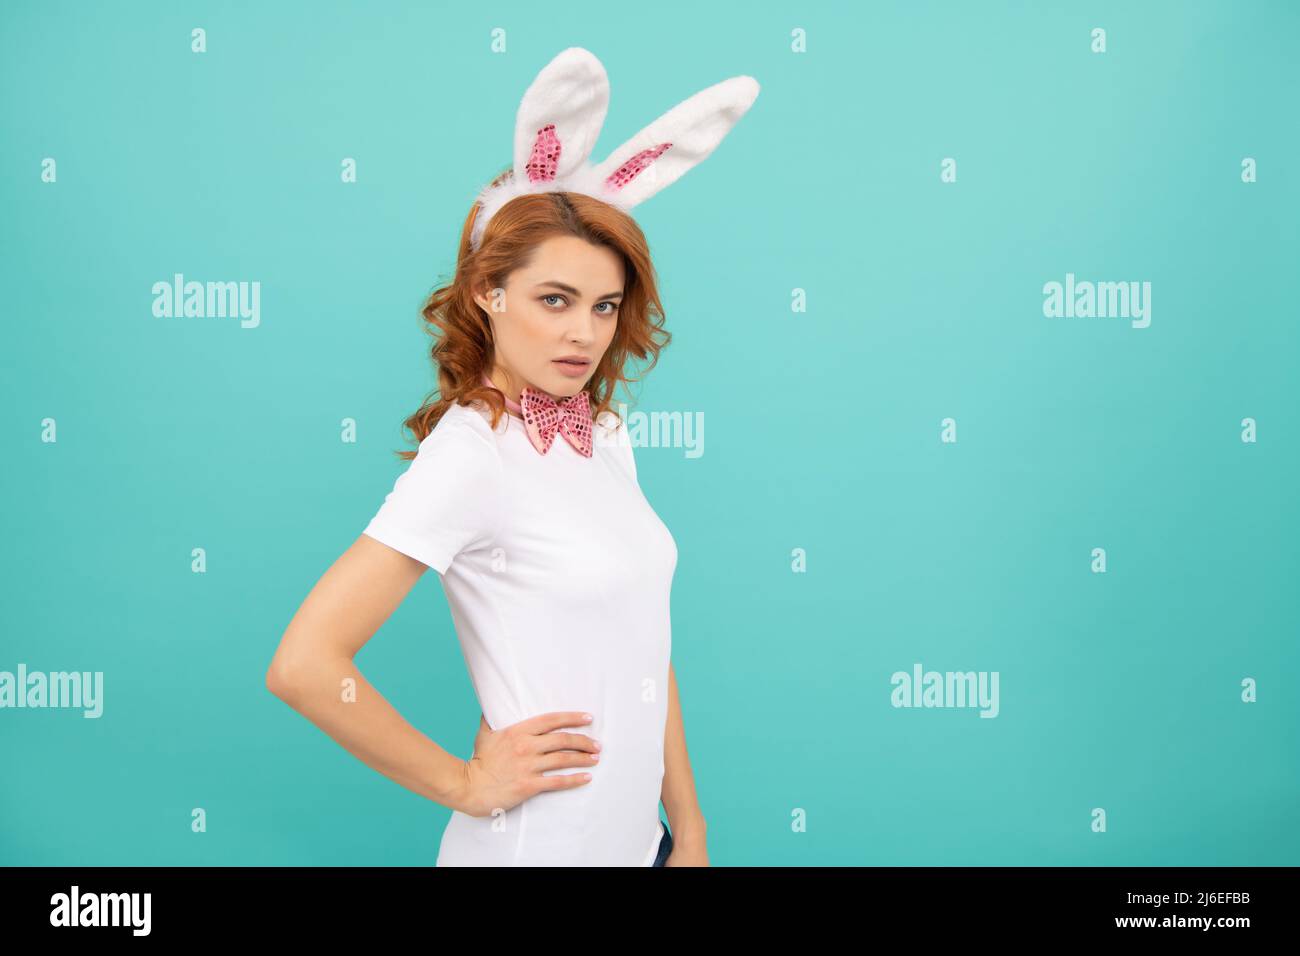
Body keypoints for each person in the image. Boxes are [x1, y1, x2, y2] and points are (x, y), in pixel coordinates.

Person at [266, 47, 757, 866]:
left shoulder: (604, 438)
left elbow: (645, 644)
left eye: (604, 306)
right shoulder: (471, 455)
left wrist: (690, 828)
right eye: (554, 300)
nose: (583, 333)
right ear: (487, 294)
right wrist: (466, 783)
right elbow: (304, 665)